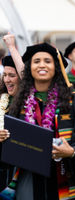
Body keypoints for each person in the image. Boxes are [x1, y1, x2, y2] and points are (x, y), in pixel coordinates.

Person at [0, 43, 75, 200]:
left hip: (65, 176)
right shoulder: (19, 103)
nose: (42, 65)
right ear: (29, 68)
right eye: (36, 61)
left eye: (47, 61)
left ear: (56, 67)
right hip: (28, 179)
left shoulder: (74, 100)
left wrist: (72, 152)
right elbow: (9, 151)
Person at [0, 56, 20, 191]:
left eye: (12, 75)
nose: (7, 80)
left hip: (18, 168)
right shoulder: (2, 98)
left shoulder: (30, 104)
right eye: (5, 75)